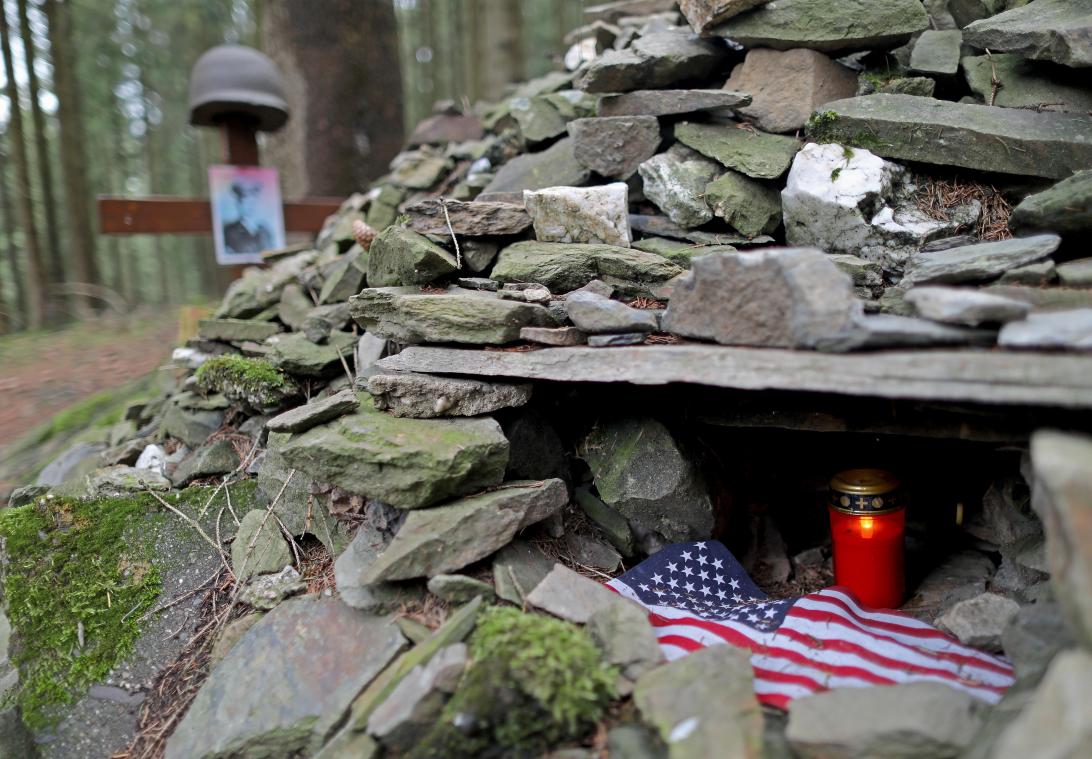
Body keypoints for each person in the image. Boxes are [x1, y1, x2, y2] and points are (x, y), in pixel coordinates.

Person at [222, 181, 273, 254]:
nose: (250, 206)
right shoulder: (230, 231)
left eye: (252, 202)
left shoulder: (264, 231)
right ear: (239, 204)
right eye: (246, 201)